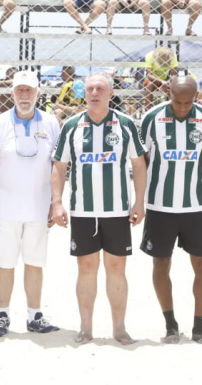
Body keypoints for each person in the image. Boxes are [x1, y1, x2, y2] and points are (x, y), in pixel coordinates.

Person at [50, 72, 148, 345]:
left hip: (117, 211)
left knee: (117, 268)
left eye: (100, 89)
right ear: (85, 93)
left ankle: (119, 328)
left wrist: (139, 201)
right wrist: (57, 202)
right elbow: (59, 166)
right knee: (86, 267)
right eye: (90, 88)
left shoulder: (125, 124)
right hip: (83, 211)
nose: (94, 93)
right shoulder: (71, 125)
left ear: (110, 93)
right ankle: (86, 328)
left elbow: (139, 165)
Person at [140, 76, 202, 343]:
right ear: (168, 93)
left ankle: (199, 328)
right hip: (159, 205)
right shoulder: (151, 118)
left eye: (189, 102)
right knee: (161, 262)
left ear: (197, 96)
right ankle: (170, 324)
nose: (183, 107)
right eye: (177, 101)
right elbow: (143, 158)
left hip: (194, 205)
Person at [0, 71, 62, 337]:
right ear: (12, 93)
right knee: (5, 263)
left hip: (39, 207)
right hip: (5, 208)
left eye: (29, 90)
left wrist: (56, 203)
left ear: (38, 93)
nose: (24, 95)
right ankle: (2, 314)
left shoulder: (51, 123)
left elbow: (58, 166)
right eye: (19, 91)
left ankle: (34, 315)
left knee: (35, 262)